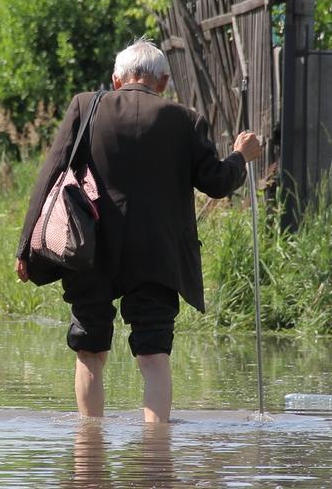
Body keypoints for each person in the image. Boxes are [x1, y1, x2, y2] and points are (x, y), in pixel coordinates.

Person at [14, 39, 262, 423]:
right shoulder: (186, 119)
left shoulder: (85, 105)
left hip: (90, 246)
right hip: (157, 253)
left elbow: (51, 173)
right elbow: (215, 182)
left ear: (117, 80)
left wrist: (24, 247)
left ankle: (89, 446)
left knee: (90, 348)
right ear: (163, 82)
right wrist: (240, 156)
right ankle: (156, 450)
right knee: (153, 352)